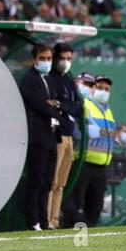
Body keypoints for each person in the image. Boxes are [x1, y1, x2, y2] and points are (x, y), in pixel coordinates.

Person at [19, 43, 62, 230]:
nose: (46, 62)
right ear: (35, 59)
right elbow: (40, 105)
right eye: (42, 58)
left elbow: (60, 103)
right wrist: (54, 107)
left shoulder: (50, 80)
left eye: (49, 59)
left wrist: (54, 105)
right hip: (37, 136)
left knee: (47, 181)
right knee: (36, 180)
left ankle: (44, 221)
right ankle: (33, 221)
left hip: (51, 136)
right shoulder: (29, 80)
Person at [70, 74, 117, 227]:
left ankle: (89, 239)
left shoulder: (108, 112)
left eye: (107, 89)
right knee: (76, 202)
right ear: (92, 88)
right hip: (84, 162)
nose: (104, 91)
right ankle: (71, 234)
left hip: (102, 165)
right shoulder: (86, 105)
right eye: (100, 87)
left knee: (95, 206)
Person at [47, 43, 83, 229]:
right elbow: (53, 104)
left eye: (69, 59)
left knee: (61, 183)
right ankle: (46, 220)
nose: (66, 62)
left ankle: (55, 220)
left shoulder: (68, 81)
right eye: (63, 58)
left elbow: (78, 107)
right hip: (57, 134)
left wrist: (62, 104)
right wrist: (64, 105)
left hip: (69, 135)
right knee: (52, 180)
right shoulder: (50, 79)